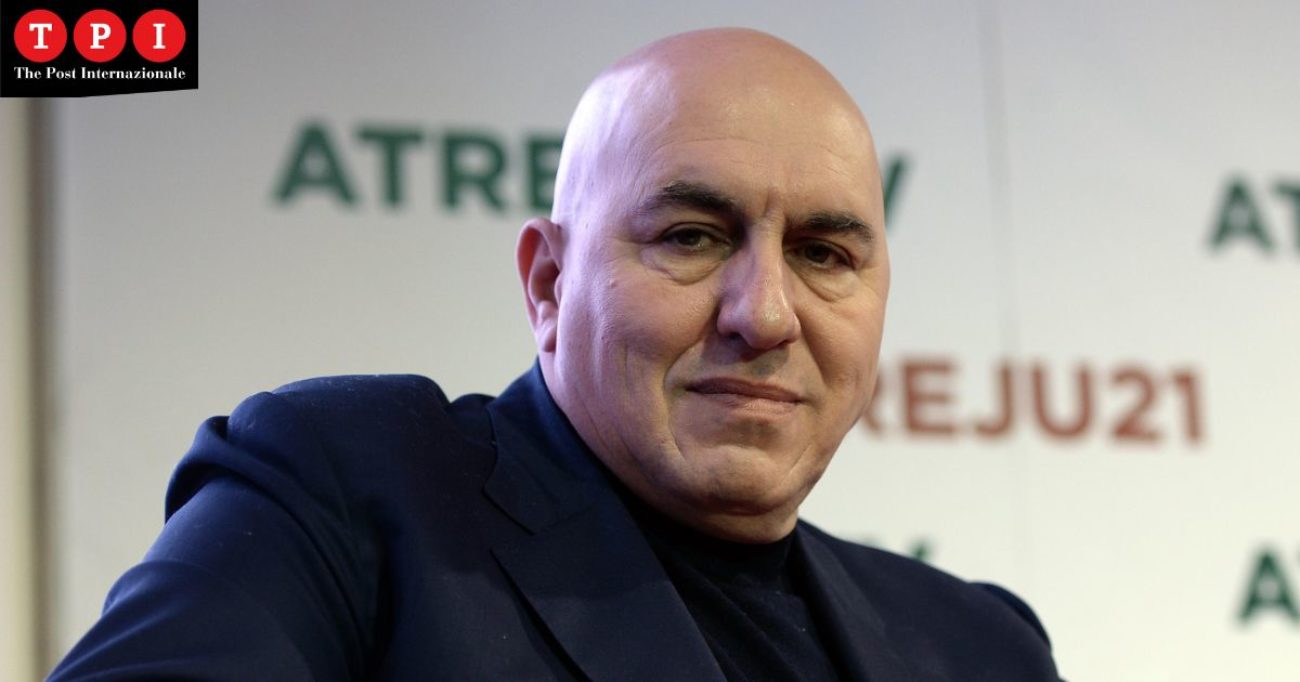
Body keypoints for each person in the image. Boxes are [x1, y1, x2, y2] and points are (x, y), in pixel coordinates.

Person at [50, 28, 1061, 681]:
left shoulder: (980, 648)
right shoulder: (346, 492)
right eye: (691, 237)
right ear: (547, 283)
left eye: (823, 254)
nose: (763, 313)